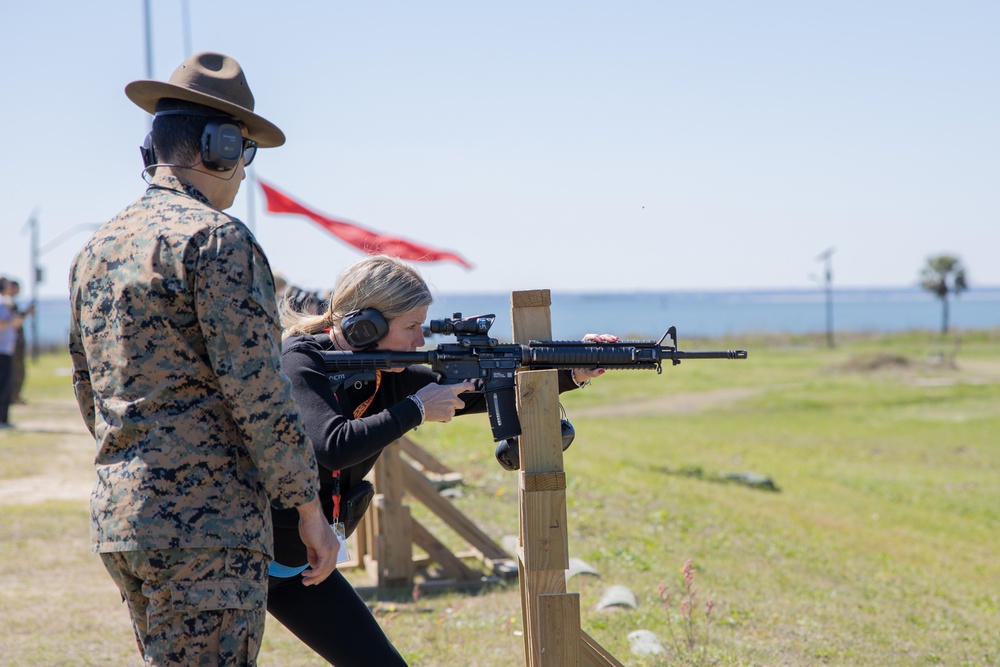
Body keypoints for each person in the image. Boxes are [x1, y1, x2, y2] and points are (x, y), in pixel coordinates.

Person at [68, 52, 338, 666]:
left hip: (125, 517)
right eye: (245, 151)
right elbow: (260, 394)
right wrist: (308, 509)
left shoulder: (97, 248)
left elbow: (90, 390)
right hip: (206, 527)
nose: (244, 172)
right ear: (218, 147)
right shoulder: (217, 239)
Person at [267, 255, 613, 665]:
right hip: (246, 553)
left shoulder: (384, 370)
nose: (419, 341)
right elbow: (331, 444)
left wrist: (572, 372)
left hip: (301, 562)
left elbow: (477, 392)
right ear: (366, 327)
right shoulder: (300, 361)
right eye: (411, 327)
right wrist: (414, 409)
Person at [0, 276, 26, 429]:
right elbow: (2, 324)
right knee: (3, 386)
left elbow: (15, 325)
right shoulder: (2, 303)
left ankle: (3, 418)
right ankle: (2, 420)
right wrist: (12, 321)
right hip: (2, 350)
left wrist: (22, 316)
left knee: (6, 386)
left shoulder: (5, 303)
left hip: (6, 350)